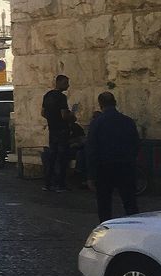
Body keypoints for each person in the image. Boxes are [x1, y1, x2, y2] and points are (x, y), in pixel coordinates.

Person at [85, 91, 141, 222]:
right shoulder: (128, 121)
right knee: (130, 202)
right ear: (115, 103)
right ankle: (136, 227)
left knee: (104, 204)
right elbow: (136, 144)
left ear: (100, 105)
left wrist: (90, 175)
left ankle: (106, 231)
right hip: (125, 166)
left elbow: (91, 149)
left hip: (104, 168)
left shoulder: (97, 123)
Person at [41, 74, 74, 192]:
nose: (68, 85)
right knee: (62, 158)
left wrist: (51, 118)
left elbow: (43, 113)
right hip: (62, 130)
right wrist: (72, 116)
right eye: (66, 83)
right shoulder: (61, 97)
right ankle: (61, 184)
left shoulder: (47, 95)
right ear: (59, 83)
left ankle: (48, 184)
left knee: (52, 157)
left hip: (52, 129)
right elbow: (64, 115)